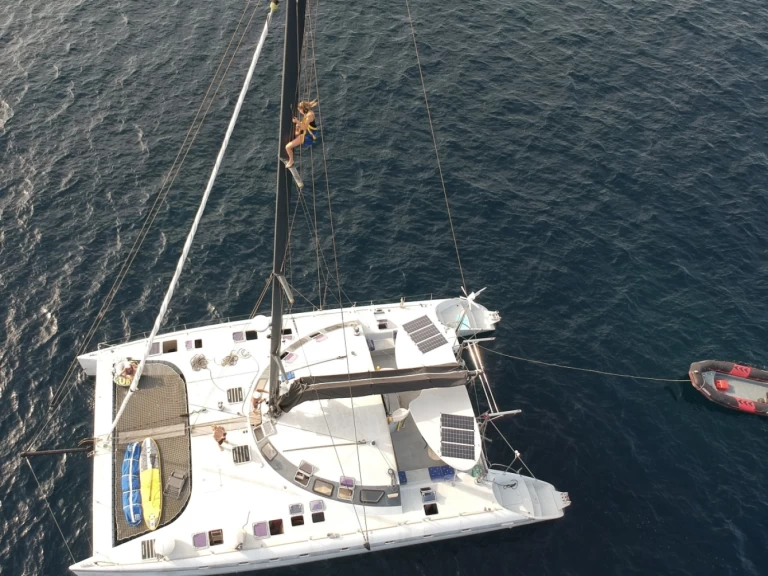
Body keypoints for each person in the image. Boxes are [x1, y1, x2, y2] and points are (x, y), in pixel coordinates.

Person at [284, 100, 318, 168]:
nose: (300, 112)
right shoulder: (308, 112)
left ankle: (291, 161)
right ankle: (294, 142)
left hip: (308, 135)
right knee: (296, 132)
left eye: (300, 110)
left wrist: (297, 121)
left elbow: (305, 128)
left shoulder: (309, 116)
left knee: (287, 147)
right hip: (308, 131)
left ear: (303, 109)